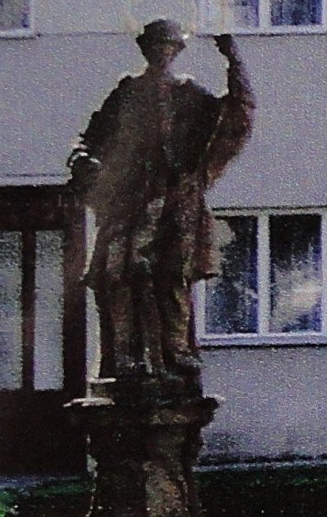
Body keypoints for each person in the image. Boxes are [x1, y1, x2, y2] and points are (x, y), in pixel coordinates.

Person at [68, 21, 254, 382]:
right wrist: (83, 162)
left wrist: (234, 61)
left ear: (177, 51)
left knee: (172, 276)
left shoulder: (190, 95)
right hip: (127, 199)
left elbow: (237, 115)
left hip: (174, 199)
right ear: (144, 48)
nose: (161, 51)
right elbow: (89, 138)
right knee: (118, 273)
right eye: (154, 45)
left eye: (168, 45)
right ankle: (124, 355)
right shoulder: (127, 92)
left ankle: (175, 351)